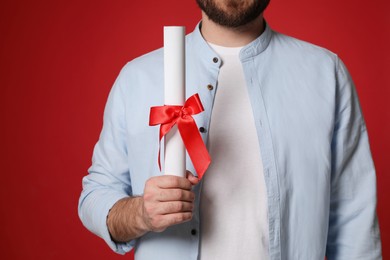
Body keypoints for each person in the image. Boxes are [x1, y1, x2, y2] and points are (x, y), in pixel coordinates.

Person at [78, 0, 382, 259]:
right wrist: (141, 213)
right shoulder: (137, 78)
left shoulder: (326, 74)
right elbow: (95, 195)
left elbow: (355, 222)